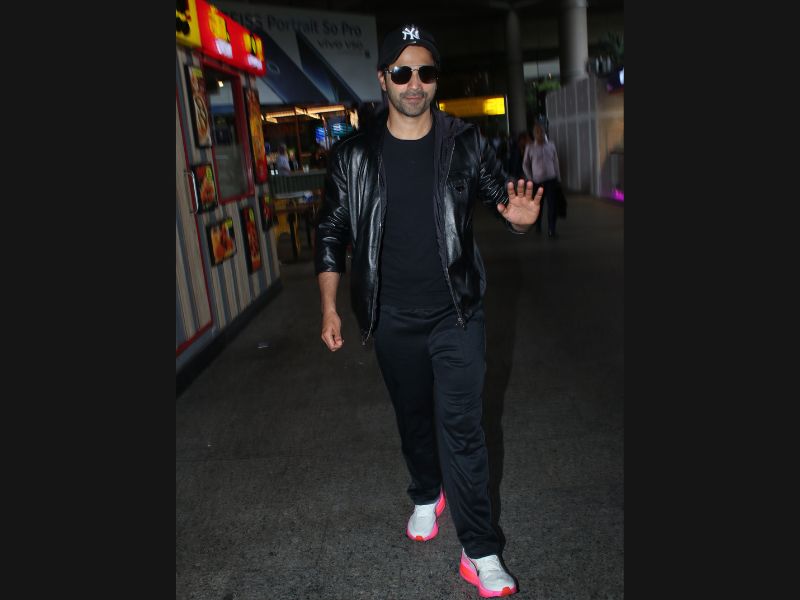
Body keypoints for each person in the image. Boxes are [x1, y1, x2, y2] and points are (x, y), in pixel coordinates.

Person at [314, 23, 542, 598]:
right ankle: (425, 492)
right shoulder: (353, 155)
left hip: (455, 313)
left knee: (463, 429)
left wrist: (517, 220)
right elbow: (332, 233)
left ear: (436, 79)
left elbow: (500, 196)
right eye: (402, 72)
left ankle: (480, 550)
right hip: (391, 316)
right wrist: (330, 308)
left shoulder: (464, 142)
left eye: (426, 72)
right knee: (414, 418)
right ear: (383, 79)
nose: (414, 83)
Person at [522, 121, 561, 238]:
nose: (540, 133)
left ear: (545, 132)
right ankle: (538, 225)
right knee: (538, 206)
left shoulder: (551, 145)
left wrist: (558, 178)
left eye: (542, 131)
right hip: (537, 181)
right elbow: (525, 164)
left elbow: (556, 161)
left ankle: (551, 229)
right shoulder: (530, 147)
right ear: (534, 134)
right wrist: (530, 177)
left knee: (552, 205)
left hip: (551, 179)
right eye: (537, 132)